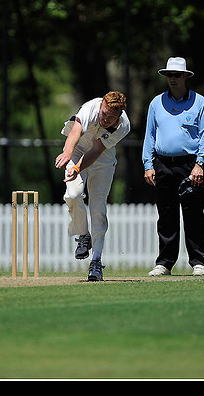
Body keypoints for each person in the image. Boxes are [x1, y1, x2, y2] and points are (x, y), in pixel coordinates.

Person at [142, 57, 204, 276]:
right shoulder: (156, 103)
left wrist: (200, 164)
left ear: (185, 76)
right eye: (169, 75)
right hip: (163, 164)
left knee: (193, 213)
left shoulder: (200, 103)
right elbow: (149, 136)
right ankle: (164, 262)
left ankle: (198, 261)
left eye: (176, 75)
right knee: (166, 215)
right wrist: (148, 164)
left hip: (190, 165)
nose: (172, 79)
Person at [55, 91, 131, 281]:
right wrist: (68, 153)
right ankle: (83, 234)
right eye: (104, 114)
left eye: (111, 118)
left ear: (119, 116)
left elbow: (97, 150)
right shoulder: (91, 107)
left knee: (98, 207)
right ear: (102, 106)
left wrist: (79, 167)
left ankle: (96, 260)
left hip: (102, 158)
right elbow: (75, 132)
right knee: (73, 195)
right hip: (77, 148)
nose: (105, 120)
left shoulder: (124, 126)